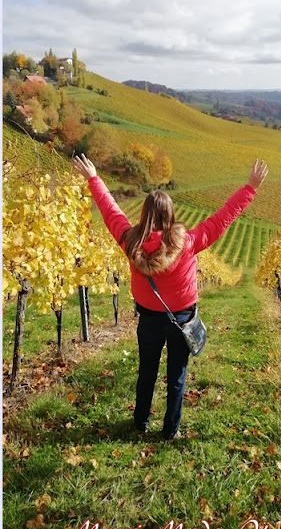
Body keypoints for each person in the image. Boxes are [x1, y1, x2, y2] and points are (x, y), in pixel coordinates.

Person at [73, 154, 268, 440]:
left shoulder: (130, 243)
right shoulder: (187, 243)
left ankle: (140, 424)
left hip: (149, 319)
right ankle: (170, 431)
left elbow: (110, 211)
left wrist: (94, 178)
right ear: (171, 214)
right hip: (183, 321)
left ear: (144, 213)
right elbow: (221, 219)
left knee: (147, 372)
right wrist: (249, 188)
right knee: (177, 376)